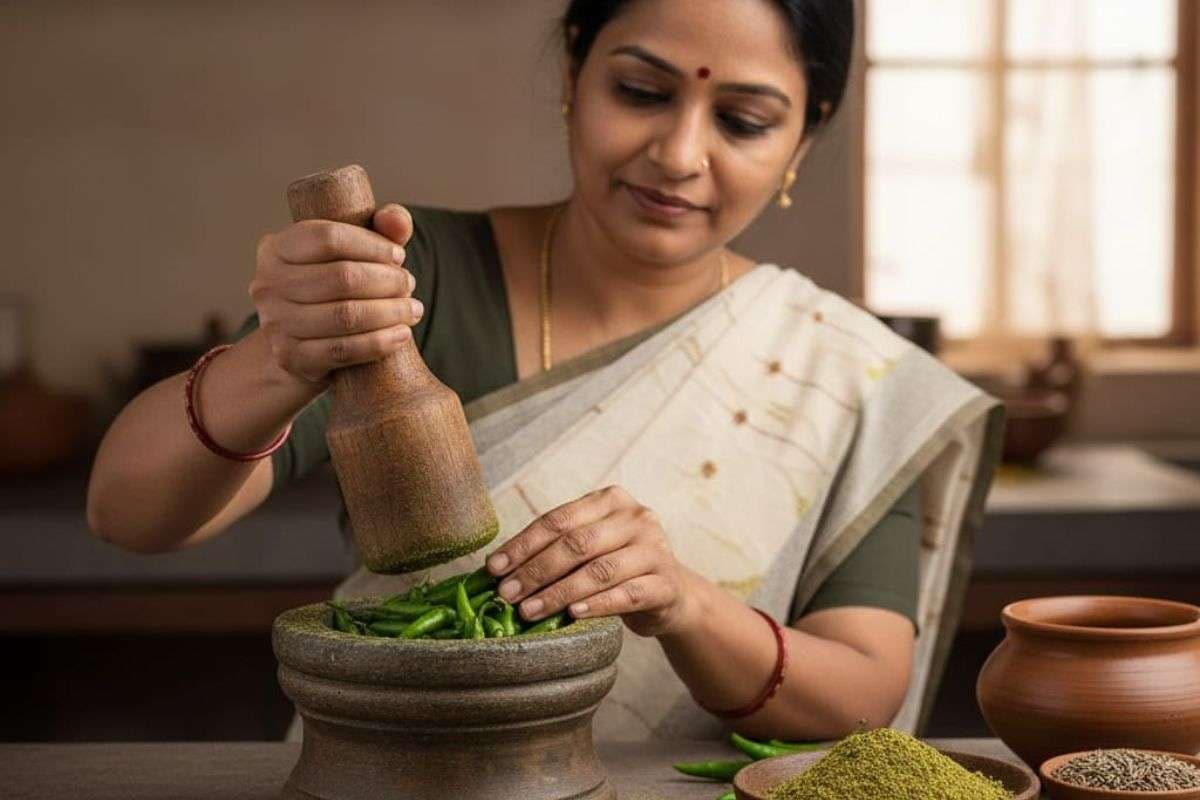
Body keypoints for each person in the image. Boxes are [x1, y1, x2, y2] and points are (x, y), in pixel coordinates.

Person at [87, 0, 1004, 742]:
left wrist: (682, 602)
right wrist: (279, 357)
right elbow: (130, 514)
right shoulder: (412, 282)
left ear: (806, 137)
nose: (680, 155)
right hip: (395, 773)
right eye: (642, 92)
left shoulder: (842, 371)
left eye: (744, 120)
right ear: (574, 74)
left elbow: (862, 694)